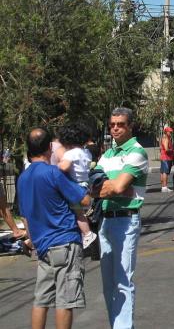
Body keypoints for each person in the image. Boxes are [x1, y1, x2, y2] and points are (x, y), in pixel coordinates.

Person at [17, 128, 91, 329]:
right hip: (64, 243)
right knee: (65, 301)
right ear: (49, 147)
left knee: (41, 300)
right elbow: (83, 200)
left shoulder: (22, 179)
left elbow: (25, 217)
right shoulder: (53, 173)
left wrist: (32, 241)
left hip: (43, 247)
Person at [94, 107, 149, 328]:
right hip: (105, 220)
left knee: (123, 281)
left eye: (121, 124)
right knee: (108, 284)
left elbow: (117, 186)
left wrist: (113, 187)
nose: (115, 128)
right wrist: (113, 188)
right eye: (112, 124)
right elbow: (94, 183)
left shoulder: (137, 152)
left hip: (126, 220)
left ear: (130, 126)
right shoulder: (107, 154)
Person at [56, 122, 97, 250]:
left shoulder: (70, 154)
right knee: (79, 213)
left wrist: (54, 167)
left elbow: (64, 167)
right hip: (85, 186)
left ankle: (87, 234)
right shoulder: (86, 153)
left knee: (78, 214)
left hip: (75, 187)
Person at [159, 126, 174, 193]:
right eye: (169, 132)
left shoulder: (164, 138)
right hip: (166, 158)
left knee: (163, 172)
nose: (171, 133)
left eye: (171, 132)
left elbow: (161, 148)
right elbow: (166, 149)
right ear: (166, 132)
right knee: (165, 172)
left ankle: (163, 187)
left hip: (164, 157)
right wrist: (173, 150)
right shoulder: (166, 139)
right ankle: (164, 187)